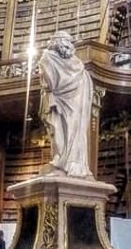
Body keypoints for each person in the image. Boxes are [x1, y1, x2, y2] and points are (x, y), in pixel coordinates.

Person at [39, 31, 93, 178]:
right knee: (59, 129)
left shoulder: (75, 63)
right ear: (57, 42)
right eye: (66, 41)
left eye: (69, 42)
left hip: (73, 103)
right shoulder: (48, 58)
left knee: (72, 130)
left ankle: (69, 162)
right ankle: (61, 160)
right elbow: (51, 83)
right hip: (61, 102)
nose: (68, 45)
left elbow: (51, 83)